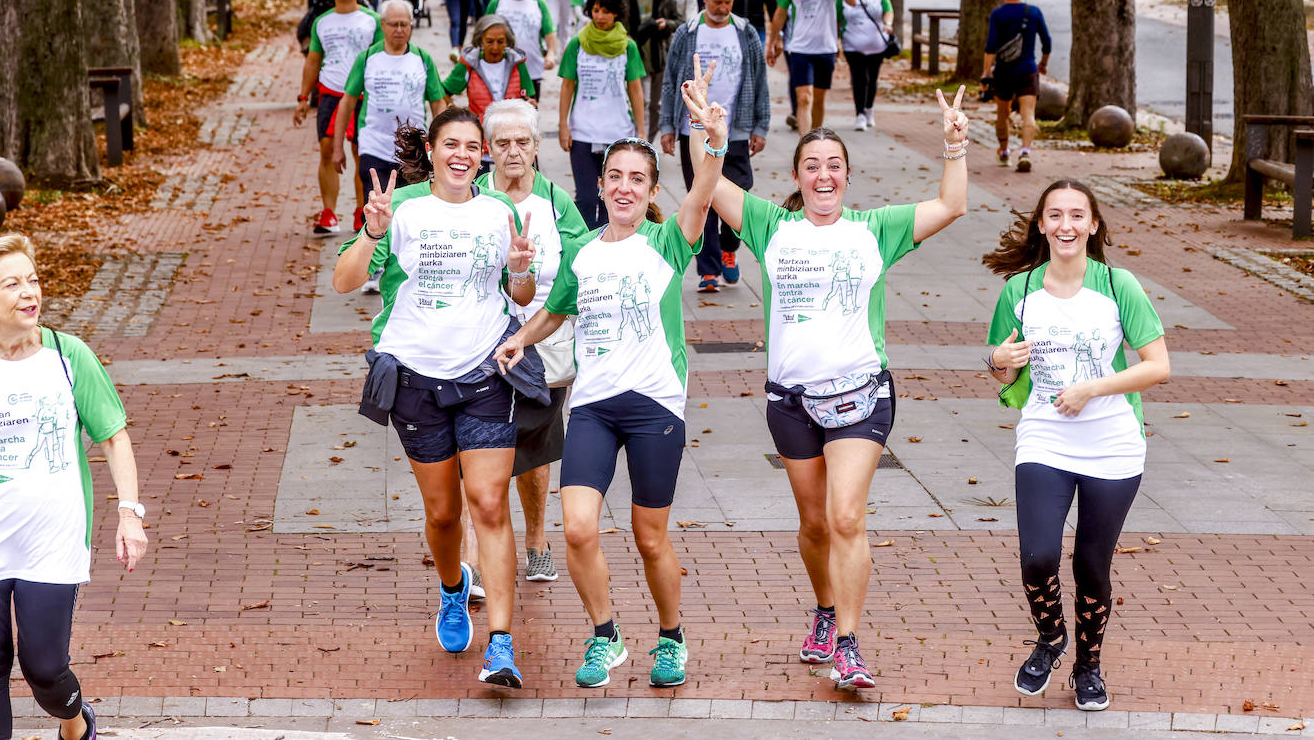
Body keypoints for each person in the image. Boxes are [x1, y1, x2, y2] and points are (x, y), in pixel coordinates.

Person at [703, 88, 969, 690]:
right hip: (791, 401)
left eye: (834, 166)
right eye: (812, 166)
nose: (824, 175)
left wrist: (954, 142)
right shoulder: (772, 225)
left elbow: (952, 204)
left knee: (847, 517)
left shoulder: (876, 229)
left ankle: (847, 644)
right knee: (815, 523)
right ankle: (825, 610)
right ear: (797, 176)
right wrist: (712, 134)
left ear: (848, 175)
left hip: (862, 396)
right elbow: (710, 187)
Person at [495, 62, 730, 689]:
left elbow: (705, 190)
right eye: (616, 177)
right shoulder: (582, 252)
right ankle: (606, 636)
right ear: (600, 184)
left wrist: (713, 139)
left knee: (650, 539)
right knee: (577, 530)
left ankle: (671, 635)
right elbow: (554, 309)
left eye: (638, 179)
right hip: (594, 406)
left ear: (651, 190)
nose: (625, 187)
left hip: (655, 405)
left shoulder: (667, 241)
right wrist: (520, 338)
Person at [333, 107, 541, 689]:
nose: (462, 155)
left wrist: (522, 271)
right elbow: (344, 282)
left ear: (484, 155)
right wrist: (372, 231)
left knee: (488, 504)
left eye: (473, 147)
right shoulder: (401, 209)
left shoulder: (499, 212)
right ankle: (453, 589)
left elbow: (519, 294)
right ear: (432, 148)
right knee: (443, 512)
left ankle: (501, 644)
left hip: (483, 375)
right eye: (451, 144)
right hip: (415, 381)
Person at [0, 235, 148, 740]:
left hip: (52, 534)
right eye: (12, 284)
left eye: (32, 280)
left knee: (44, 666)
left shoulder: (68, 356)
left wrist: (129, 513)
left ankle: (76, 721)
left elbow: (114, 437)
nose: (29, 293)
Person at [983, 180, 1169, 713]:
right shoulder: (1019, 291)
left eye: (1077, 215)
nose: (1066, 224)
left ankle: (1088, 664)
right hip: (1044, 436)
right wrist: (998, 361)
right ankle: (1051, 637)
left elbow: (1159, 366)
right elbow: (997, 362)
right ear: (1041, 224)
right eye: (1055, 214)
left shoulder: (1117, 285)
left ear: (1092, 225)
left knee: (1091, 565)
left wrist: (1093, 387)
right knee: (1038, 557)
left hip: (1112, 444)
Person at [477, 101, 590, 585]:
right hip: (480, 342)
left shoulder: (555, 200)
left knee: (534, 450)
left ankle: (537, 539)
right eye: (502, 144)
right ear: (488, 150)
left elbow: (581, 263)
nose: (513, 152)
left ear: (537, 147)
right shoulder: (472, 197)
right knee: (480, 448)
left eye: (522, 142)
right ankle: (483, 555)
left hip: (544, 343)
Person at [660, 0, 768, 292]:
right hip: (692, 130)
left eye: (728, 2)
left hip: (733, 129)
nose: (722, 8)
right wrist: (667, 124)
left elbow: (759, 79)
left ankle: (729, 249)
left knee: (739, 192)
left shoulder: (745, 32)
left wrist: (760, 125)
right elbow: (670, 81)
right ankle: (708, 269)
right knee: (702, 196)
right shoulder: (687, 32)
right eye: (717, 1)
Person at [331, 0, 447, 292]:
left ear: (411, 26)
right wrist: (337, 147)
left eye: (404, 24)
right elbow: (346, 101)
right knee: (378, 204)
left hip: (413, 151)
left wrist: (445, 145)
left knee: (412, 206)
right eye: (393, 24)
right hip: (374, 146)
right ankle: (373, 266)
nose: (399, 30)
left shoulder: (422, 58)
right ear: (382, 26)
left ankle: (411, 261)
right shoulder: (368, 57)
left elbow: (438, 103)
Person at [294, 0, 383, 236]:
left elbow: (381, 57)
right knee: (325, 150)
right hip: (330, 92)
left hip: (363, 95)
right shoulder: (322, 22)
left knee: (361, 154)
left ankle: (361, 212)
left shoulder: (372, 20)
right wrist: (302, 97)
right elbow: (312, 60)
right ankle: (329, 213)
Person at [558, 0, 648, 228]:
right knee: (586, 198)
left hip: (618, 132)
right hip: (583, 132)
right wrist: (563, 126)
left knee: (614, 198)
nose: (600, 16)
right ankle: (586, 246)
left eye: (606, 11)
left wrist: (641, 131)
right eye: (596, 10)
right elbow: (567, 86)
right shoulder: (577, 44)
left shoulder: (628, 47)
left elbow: (636, 89)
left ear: (617, 12)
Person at [765, 0, 856, 135]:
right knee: (804, 97)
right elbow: (780, 14)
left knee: (819, 99)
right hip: (800, 48)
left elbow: (853, 1)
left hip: (826, 47)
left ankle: (816, 141)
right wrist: (772, 42)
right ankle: (804, 145)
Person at [982, 0, 1052, 172]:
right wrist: (1043, 63)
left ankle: (1004, 152)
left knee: (1002, 113)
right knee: (1028, 113)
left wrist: (986, 72)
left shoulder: (998, 14)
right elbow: (1047, 42)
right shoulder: (1034, 12)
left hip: (1003, 72)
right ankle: (1025, 151)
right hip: (1028, 70)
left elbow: (990, 47)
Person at [624, 0, 682, 141]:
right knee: (642, 101)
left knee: (656, 104)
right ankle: (639, 141)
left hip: (659, 56)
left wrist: (667, 24)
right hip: (636, 57)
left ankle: (646, 141)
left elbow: (681, 22)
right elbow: (617, 23)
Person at [486, 0, 559, 102]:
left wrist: (550, 54)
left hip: (532, 71)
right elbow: (484, 34)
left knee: (529, 116)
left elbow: (550, 33)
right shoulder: (497, 3)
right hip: (501, 71)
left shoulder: (539, 3)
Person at [443, 14, 534, 124]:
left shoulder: (517, 63)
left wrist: (530, 105)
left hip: (511, 132)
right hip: (480, 134)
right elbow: (443, 92)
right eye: (490, 41)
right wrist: (456, 111)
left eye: (500, 42)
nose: (495, 47)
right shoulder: (470, 63)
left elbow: (529, 98)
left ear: (507, 41)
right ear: (480, 40)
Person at [840, 0, 894, 133]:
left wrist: (888, 24)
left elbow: (888, 10)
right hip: (852, 44)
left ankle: (869, 108)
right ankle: (860, 114)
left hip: (876, 44)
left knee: (871, 79)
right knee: (859, 78)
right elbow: (837, 14)